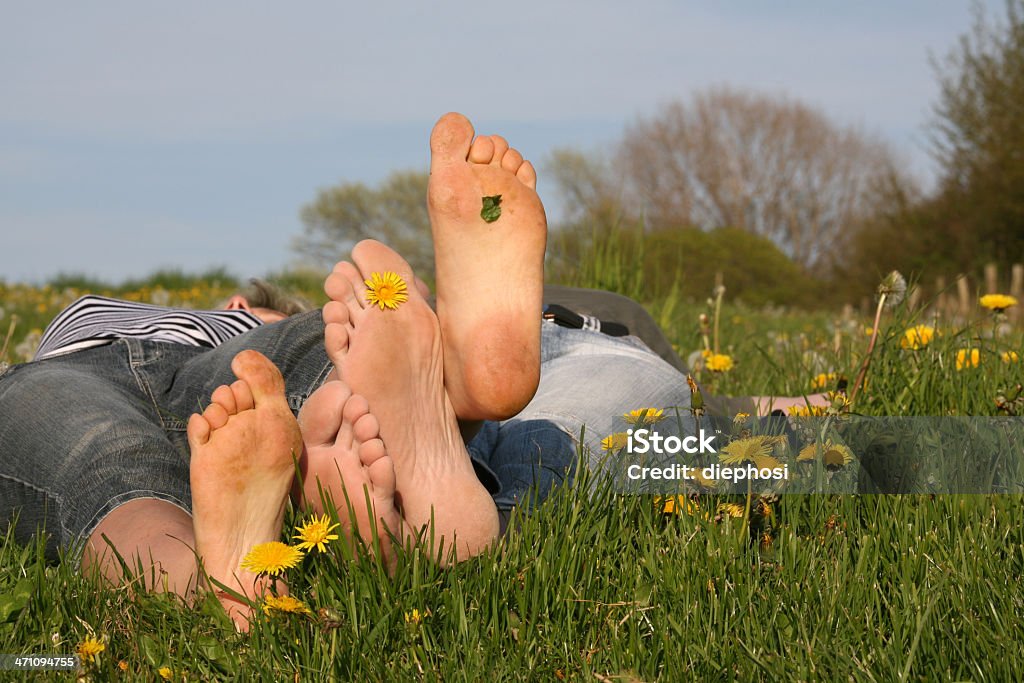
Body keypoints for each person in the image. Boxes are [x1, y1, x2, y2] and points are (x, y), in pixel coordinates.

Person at [0, 112, 820, 628]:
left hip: (181, 366)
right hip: (98, 362)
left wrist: (274, 331)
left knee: (99, 464)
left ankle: (239, 549)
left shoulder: (270, 324)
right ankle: (410, 419)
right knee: (98, 423)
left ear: (256, 302)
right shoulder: (248, 319)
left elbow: (310, 331)